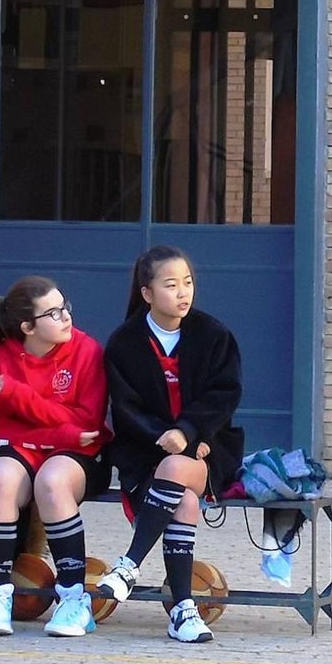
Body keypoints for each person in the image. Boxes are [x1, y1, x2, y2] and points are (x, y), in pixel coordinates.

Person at [97, 245, 244, 643]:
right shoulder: (125, 342)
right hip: (144, 452)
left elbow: (224, 395)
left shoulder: (214, 335)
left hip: (206, 450)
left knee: (179, 470)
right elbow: (124, 408)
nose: (183, 293)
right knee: (185, 501)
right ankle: (182, 609)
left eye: (188, 283)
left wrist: (192, 434)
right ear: (147, 293)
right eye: (171, 285)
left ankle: (129, 564)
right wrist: (163, 437)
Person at [0, 276, 112, 637]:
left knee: (52, 480)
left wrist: (20, 399)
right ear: (27, 327)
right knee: (1, 477)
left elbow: (86, 425)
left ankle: (73, 599)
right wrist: (54, 429)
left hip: (76, 453)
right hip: (21, 448)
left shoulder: (87, 351)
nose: (66, 317)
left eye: (65, 307)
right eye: (53, 312)